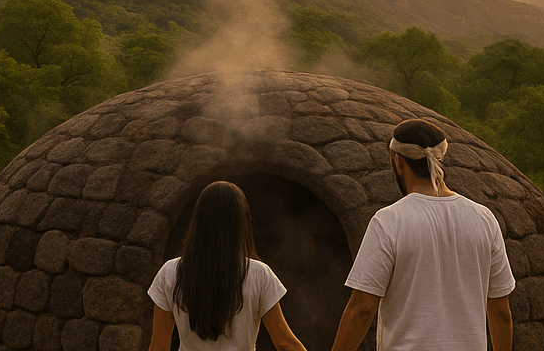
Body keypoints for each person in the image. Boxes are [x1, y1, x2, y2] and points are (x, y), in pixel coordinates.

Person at [329, 119, 515, 351]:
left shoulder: (389, 221)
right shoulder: (484, 219)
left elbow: (362, 309)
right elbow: (500, 312)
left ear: (398, 161)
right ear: (440, 159)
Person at [147, 181, 308, 351]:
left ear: (198, 221)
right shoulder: (259, 274)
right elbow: (285, 344)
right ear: (240, 223)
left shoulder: (170, 272)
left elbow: (159, 346)